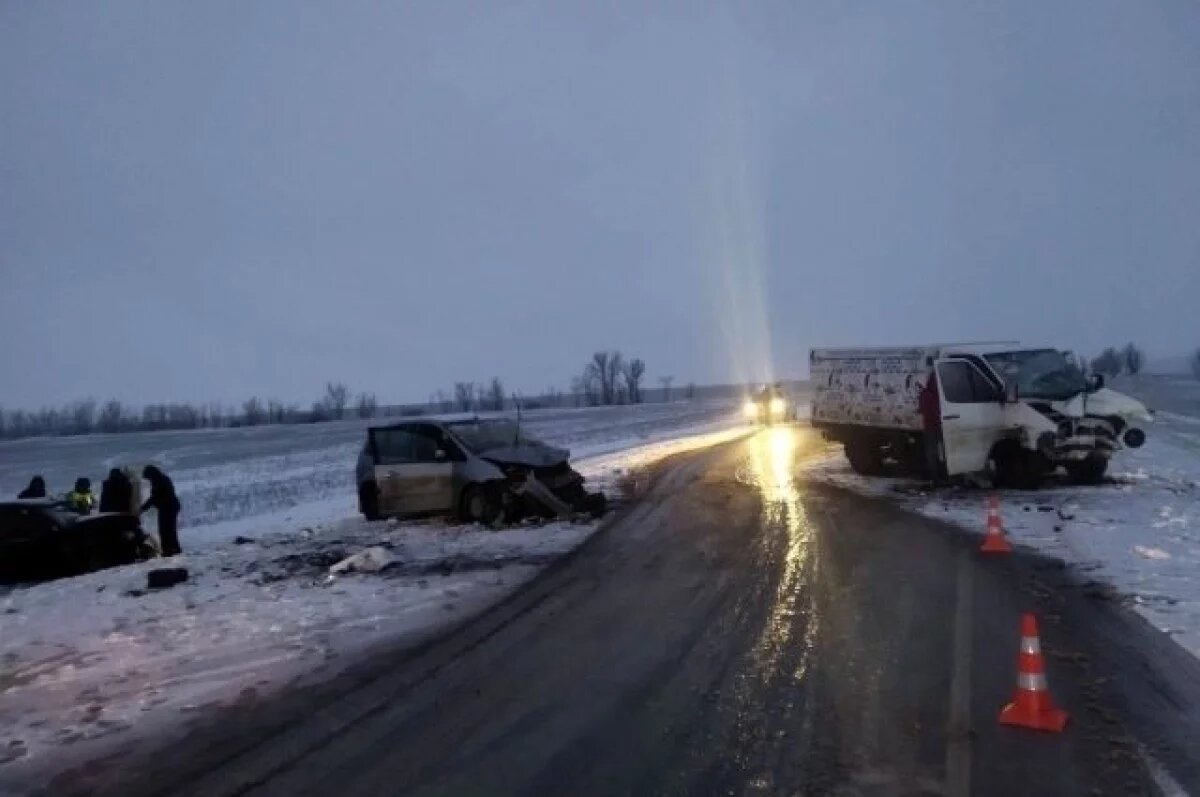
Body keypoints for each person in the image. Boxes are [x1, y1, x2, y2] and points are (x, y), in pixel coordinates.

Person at [141, 465, 182, 556]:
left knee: (165, 531)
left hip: (168, 508)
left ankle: (168, 551)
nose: (148, 480)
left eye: (148, 477)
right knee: (170, 530)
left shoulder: (158, 481)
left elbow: (154, 498)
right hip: (171, 507)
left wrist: (142, 508)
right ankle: (175, 549)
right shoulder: (162, 479)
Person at [918, 372, 945, 484]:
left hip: (929, 426)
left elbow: (920, 409)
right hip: (938, 426)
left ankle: (935, 476)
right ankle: (940, 474)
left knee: (932, 452)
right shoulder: (939, 395)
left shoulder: (924, 394)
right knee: (940, 451)